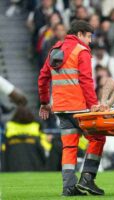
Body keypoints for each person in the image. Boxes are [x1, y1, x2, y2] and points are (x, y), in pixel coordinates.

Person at [38, 20, 106, 196]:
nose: (90, 41)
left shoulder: (55, 50)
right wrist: (93, 105)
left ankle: (68, 187)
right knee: (97, 137)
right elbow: (85, 80)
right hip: (79, 108)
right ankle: (87, 178)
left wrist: (45, 102)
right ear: (80, 34)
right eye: (89, 36)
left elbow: (43, 77)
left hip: (60, 108)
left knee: (69, 148)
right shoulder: (80, 51)